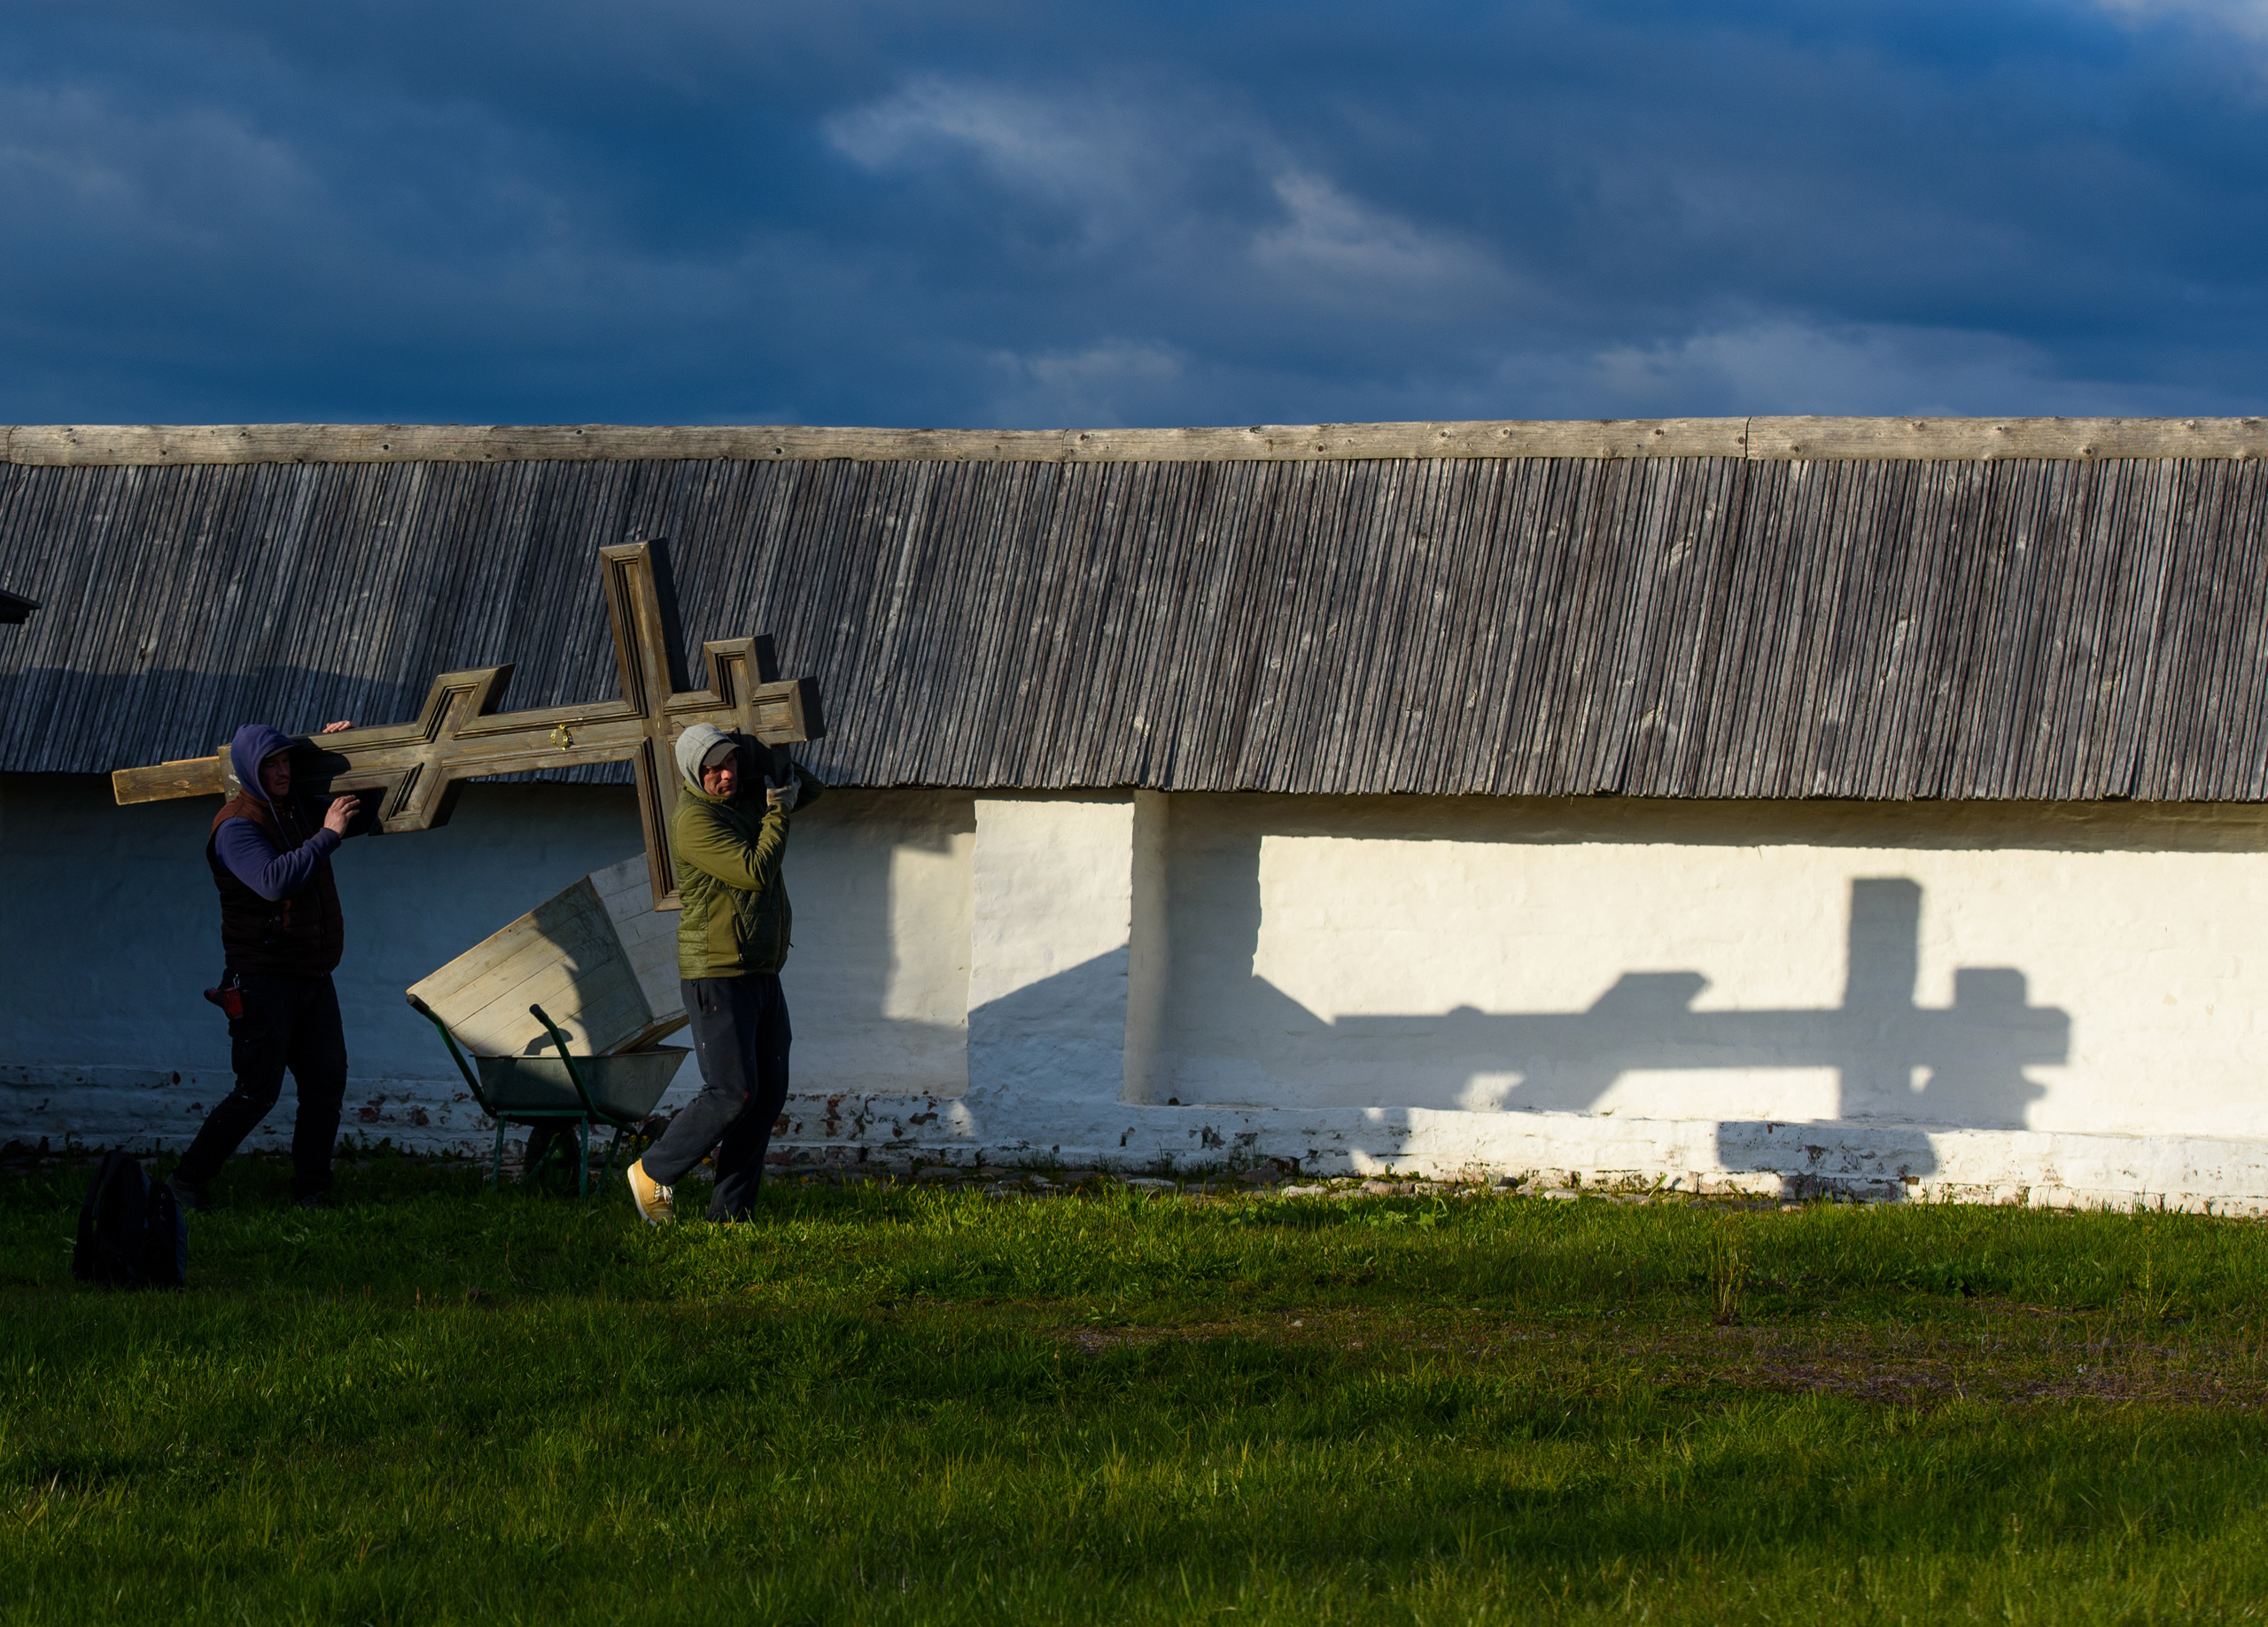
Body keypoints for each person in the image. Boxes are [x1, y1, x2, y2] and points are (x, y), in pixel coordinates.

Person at [625, 723, 823, 1224]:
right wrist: (777, 810)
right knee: (731, 1092)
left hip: (760, 969)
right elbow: (756, 873)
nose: (724, 776)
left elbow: (814, 791)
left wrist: (765, 759)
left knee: (766, 1094)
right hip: (717, 973)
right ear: (695, 774)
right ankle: (654, 1170)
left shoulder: (743, 796)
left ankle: (731, 1214)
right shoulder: (695, 821)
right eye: (712, 769)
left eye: (729, 763)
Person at [169, 720, 362, 1213]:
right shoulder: (236, 826)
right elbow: (274, 881)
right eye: (270, 764)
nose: (281, 771)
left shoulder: (296, 808)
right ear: (249, 772)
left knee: (325, 1085)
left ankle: (312, 1192)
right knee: (258, 1091)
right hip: (262, 980)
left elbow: (365, 808)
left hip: (313, 975)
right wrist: (326, 837)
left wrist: (346, 747)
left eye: (286, 761)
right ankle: (187, 1182)